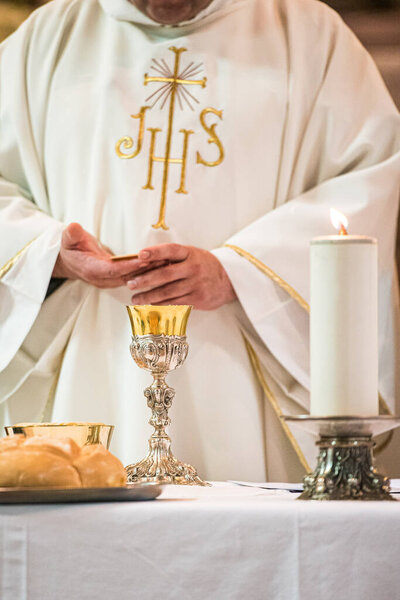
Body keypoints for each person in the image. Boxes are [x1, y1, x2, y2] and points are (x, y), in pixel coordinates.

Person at [0, 0, 399, 482]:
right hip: (93, 350)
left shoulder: (311, 36)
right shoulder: (49, 36)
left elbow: (370, 183)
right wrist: (50, 253)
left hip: (242, 360)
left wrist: (240, 271)